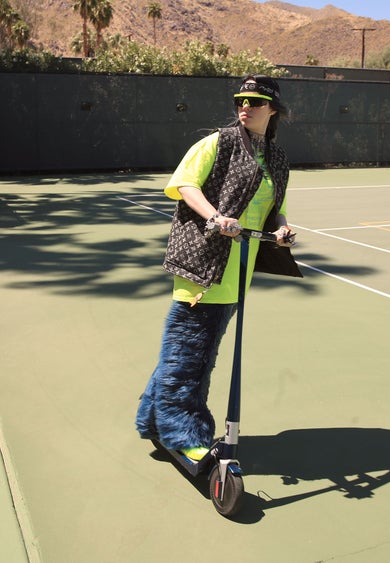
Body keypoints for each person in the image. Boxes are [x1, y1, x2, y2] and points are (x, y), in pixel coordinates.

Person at [135, 74, 302, 461]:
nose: (244, 106)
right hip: (203, 261)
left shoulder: (276, 158)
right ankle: (183, 431)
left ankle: (152, 419)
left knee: (195, 348)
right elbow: (185, 185)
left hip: (239, 267)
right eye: (239, 100)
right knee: (190, 351)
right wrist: (216, 217)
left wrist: (282, 230)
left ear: (272, 109)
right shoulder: (217, 143)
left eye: (254, 101)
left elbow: (274, 209)